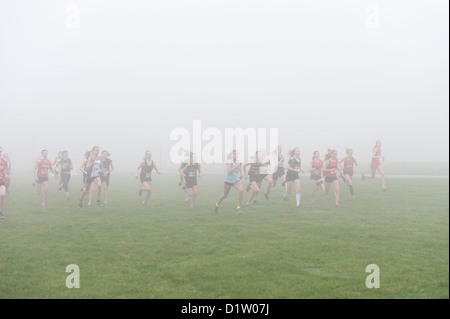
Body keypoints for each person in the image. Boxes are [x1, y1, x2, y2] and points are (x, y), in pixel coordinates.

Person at [214, 150, 244, 215]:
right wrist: (235, 166)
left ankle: (238, 208)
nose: (236, 155)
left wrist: (241, 174)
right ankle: (217, 204)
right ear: (231, 155)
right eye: (235, 154)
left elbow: (239, 169)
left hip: (236, 180)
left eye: (237, 154)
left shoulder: (239, 162)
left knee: (241, 190)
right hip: (228, 181)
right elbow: (229, 171)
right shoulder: (229, 162)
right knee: (225, 195)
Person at [0, 147, 10, 219]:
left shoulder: (4, 161)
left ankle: (0, 212)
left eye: (0, 151)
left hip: (2, 181)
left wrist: (7, 174)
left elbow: (7, 169)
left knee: (2, 194)